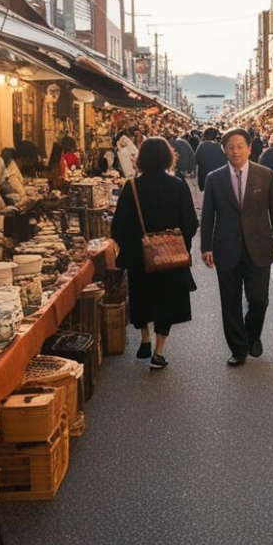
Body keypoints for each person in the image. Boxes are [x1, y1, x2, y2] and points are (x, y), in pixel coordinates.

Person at [200, 128, 273, 366]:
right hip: (225, 246)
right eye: (230, 147)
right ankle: (238, 349)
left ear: (250, 148)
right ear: (224, 150)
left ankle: (252, 335)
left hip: (259, 245)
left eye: (240, 146)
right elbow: (207, 215)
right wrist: (205, 246)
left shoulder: (266, 175)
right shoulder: (214, 178)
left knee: (259, 299)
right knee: (230, 302)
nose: (235, 151)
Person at [110, 137, 199, 370]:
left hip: (140, 256)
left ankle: (144, 339)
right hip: (170, 256)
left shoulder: (131, 187)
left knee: (141, 296)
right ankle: (159, 351)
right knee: (166, 301)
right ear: (169, 157)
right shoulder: (178, 186)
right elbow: (190, 223)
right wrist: (183, 247)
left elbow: (118, 226)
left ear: (141, 159)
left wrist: (130, 246)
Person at [195, 128, 227, 196]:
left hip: (205, 180)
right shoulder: (222, 147)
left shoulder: (201, 146)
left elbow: (196, 160)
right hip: (220, 180)